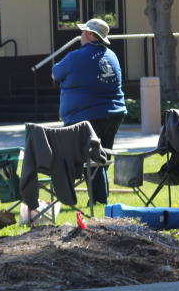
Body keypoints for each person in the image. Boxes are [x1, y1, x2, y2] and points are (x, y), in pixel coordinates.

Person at [51, 17, 126, 203]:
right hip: (114, 114)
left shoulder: (76, 57)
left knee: (92, 159)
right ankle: (99, 198)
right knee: (103, 157)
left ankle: (99, 201)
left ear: (90, 34)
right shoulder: (112, 56)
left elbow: (55, 73)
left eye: (83, 32)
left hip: (87, 116)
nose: (81, 35)